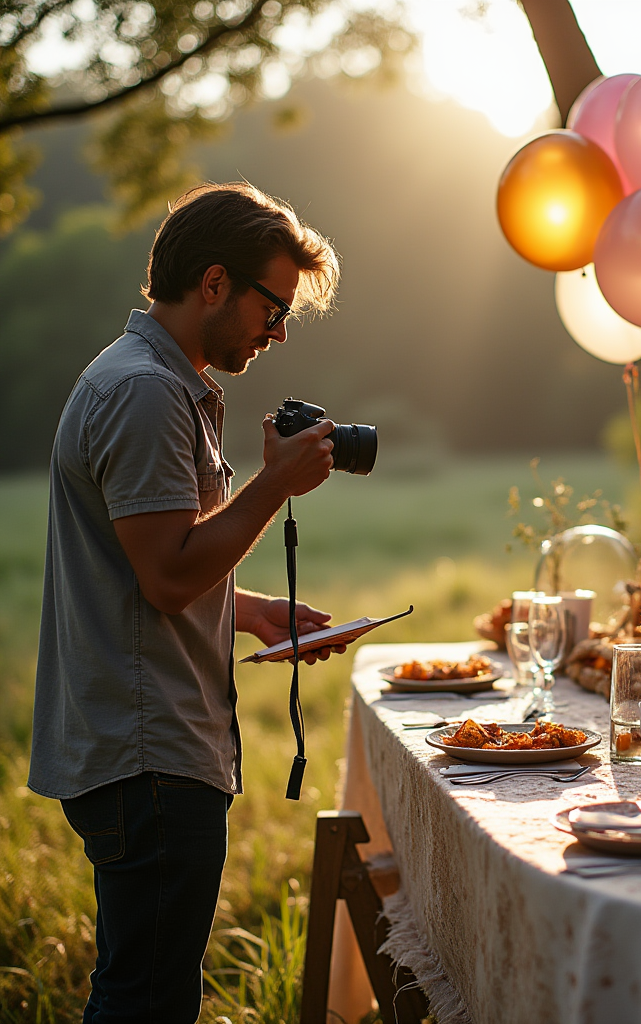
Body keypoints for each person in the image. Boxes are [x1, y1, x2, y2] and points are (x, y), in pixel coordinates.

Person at [28, 181, 346, 1022]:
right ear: (213, 283)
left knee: (144, 991)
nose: (278, 332)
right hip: (149, 754)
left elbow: (137, 570)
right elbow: (168, 577)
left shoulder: (156, 382)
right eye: (273, 308)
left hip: (146, 748)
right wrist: (274, 485)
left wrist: (251, 609)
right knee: (146, 1001)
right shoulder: (145, 391)